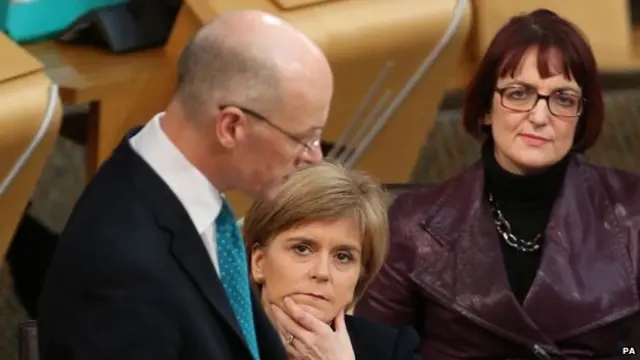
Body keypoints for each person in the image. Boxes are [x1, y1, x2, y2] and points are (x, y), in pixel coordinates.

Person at [37, 9, 333, 360]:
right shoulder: (122, 275)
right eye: (303, 138)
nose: (314, 158)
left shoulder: (187, 202)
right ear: (231, 127)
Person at [356, 9, 640, 359]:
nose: (539, 116)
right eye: (519, 93)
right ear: (486, 109)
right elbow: (374, 353)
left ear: (580, 117)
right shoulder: (412, 225)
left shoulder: (633, 211)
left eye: (563, 99)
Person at [242, 161, 421, 360]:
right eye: (302, 249)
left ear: (360, 275)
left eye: (343, 257)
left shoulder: (391, 351)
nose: (322, 272)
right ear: (259, 261)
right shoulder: (211, 337)